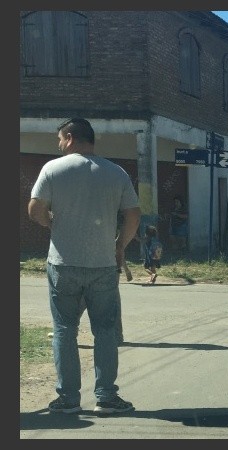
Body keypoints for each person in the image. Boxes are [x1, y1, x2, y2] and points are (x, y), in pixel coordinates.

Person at [28, 118, 141, 415]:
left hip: (63, 263)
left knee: (65, 329)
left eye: (59, 140)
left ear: (68, 137)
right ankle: (106, 396)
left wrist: (51, 223)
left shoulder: (53, 169)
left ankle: (67, 399)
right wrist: (119, 245)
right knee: (104, 330)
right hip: (103, 264)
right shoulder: (116, 172)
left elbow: (34, 207)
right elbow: (134, 215)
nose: (59, 145)